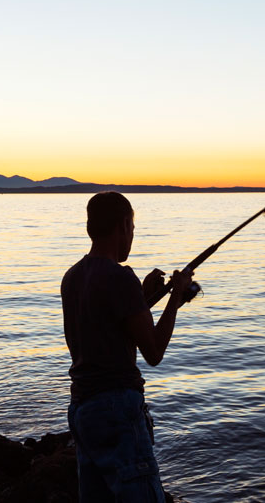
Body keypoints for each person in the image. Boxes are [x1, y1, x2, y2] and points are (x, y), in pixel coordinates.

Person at [62, 191, 193, 502]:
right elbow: (154, 352)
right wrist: (175, 297)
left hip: (82, 410)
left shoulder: (73, 277)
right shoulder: (121, 277)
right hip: (117, 410)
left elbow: (109, 328)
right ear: (123, 225)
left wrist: (144, 299)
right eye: (132, 228)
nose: (132, 235)